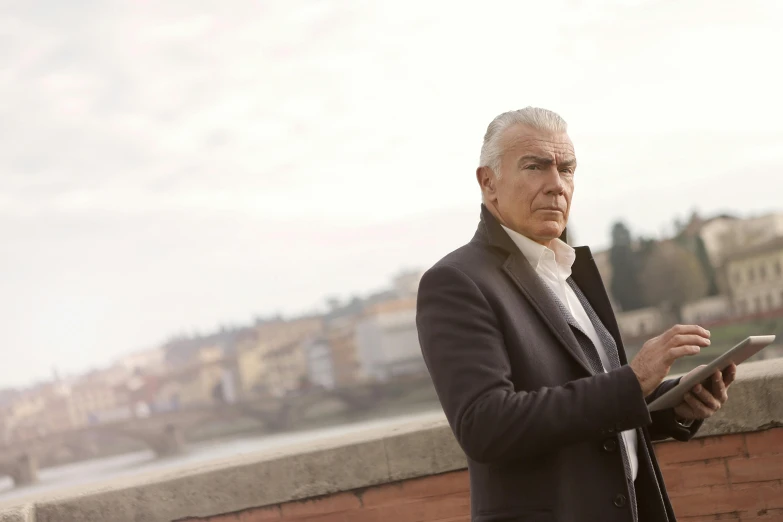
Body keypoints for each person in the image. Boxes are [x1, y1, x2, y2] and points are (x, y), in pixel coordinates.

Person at [416, 107, 737, 522]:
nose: (556, 185)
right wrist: (633, 381)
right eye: (535, 167)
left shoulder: (570, 273)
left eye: (567, 169)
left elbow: (597, 415)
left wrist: (672, 405)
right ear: (488, 183)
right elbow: (487, 427)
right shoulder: (455, 283)